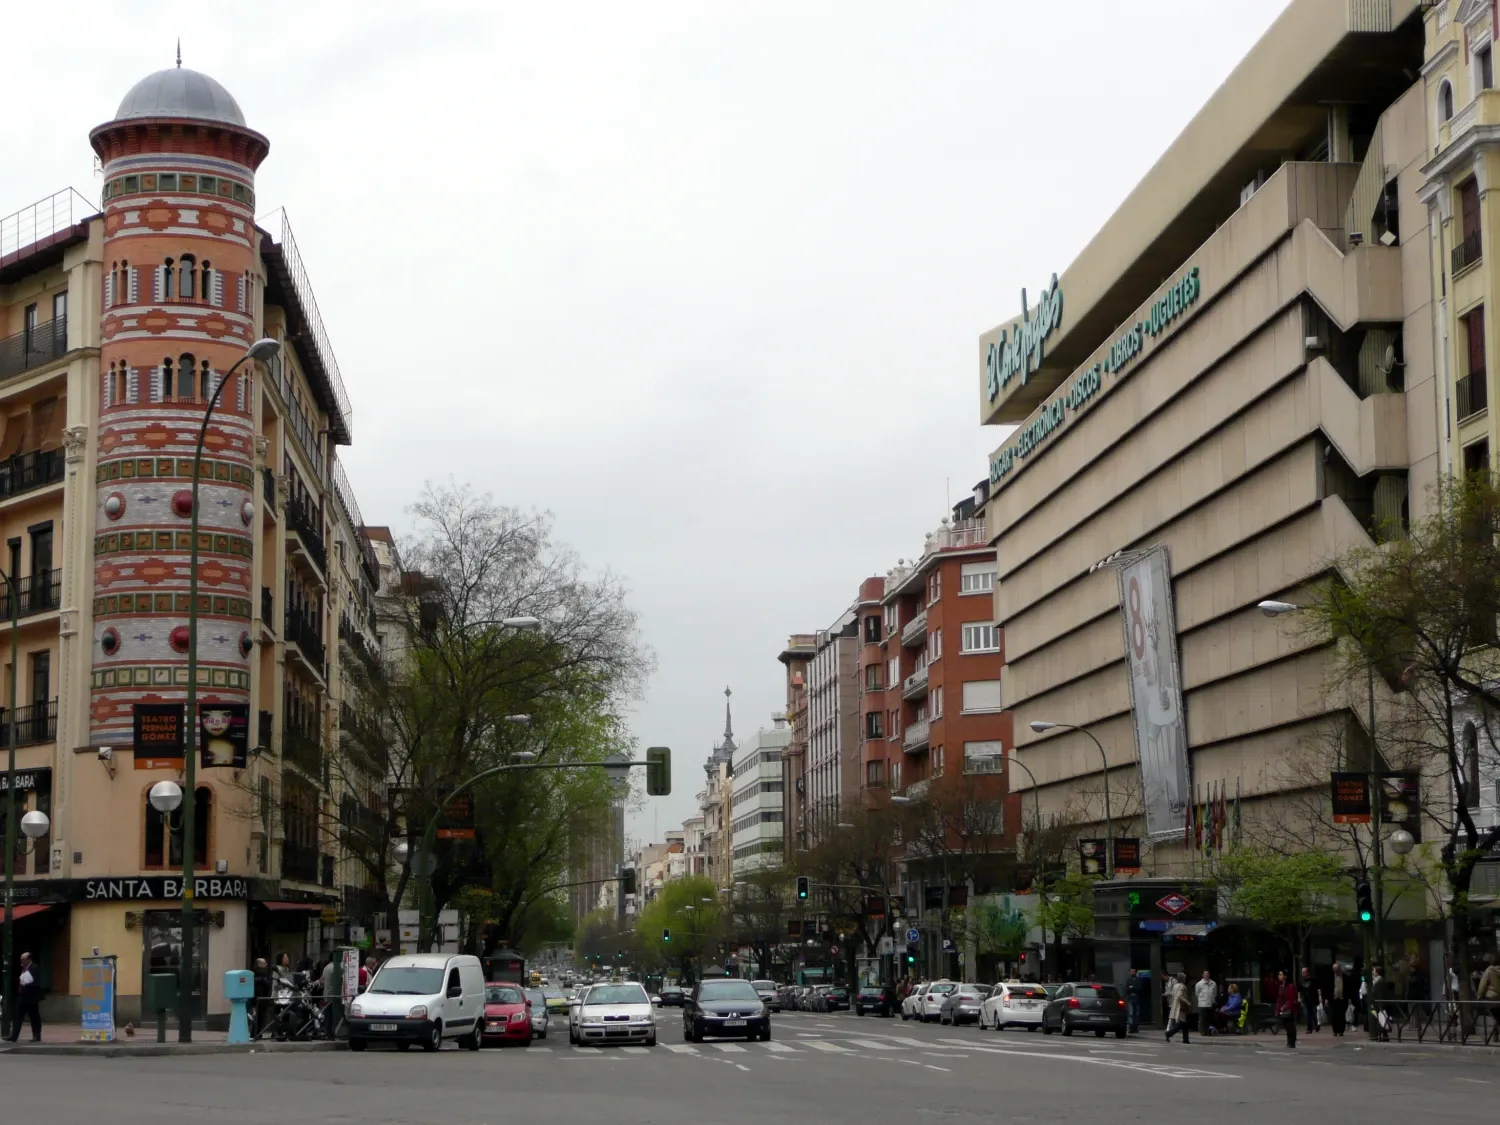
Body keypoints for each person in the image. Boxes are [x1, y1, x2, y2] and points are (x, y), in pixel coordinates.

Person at [6, 951, 42, 1042]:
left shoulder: (34, 967)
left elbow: (37, 982)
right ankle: (14, 1036)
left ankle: (36, 1036)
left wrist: (27, 983)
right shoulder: (23, 968)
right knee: (17, 1016)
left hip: (31, 997)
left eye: (23, 959)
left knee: (34, 1017)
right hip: (22, 996)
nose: (21, 961)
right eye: (21, 959)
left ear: (29, 959)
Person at [1273, 969, 1299, 1048]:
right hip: (1283, 1009)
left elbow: (1291, 999)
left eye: (1281, 975)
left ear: (1285, 976)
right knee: (1286, 1026)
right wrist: (1277, 1010)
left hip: (1290, 1009)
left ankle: (1291, 1042)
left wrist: (1284, 1007)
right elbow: (1279, 999)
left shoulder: (1290, 986)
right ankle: (1289, 1041)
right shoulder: (1281, 986)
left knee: (1290, 1026)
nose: (1279, 976)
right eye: (1279, 975)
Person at [1165, 973, 1193, 1043]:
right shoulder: (1183, 986)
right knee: (1182, 1023)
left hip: (1175, 1005)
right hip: (1181, 1006)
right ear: (1183, 979)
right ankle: (1169, 1033)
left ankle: (1185, 1039)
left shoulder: (1175, 986)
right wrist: (1187, 1002)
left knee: (1183, 1023)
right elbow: (1179, 995)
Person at [1194, 970, 1218, 1036]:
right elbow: (1197, 993)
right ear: (1202, 975)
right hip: (1202, 1004)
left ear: (1209, 975)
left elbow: (1215, 993)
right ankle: (1202, 1031)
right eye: (1205, 974)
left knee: (1209, 1019)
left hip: (1210, 1003)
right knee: (1202, 1019)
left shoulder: (1213, 983)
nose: (1206, 975)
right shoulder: (1199, 984)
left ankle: (1209, 1031)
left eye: (1207, 974)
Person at [1298, 966, 1320, 1034]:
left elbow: (1318, 988)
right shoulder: (1301, 981)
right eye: (1302, 972)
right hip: (1305, 1000)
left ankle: (1316, 1025)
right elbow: (1299, 990)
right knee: (1307, 1014)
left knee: (1314, 1014)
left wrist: (1320, 996)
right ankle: (1309, 1028)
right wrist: (1299, 998)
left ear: (1308, 973)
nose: (1303, 973)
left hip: (1313, 999)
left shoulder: (1313, 980)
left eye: (1304, 972)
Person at [1328, 962, 1348, 1037]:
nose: (1336, 971)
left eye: (1337, 969)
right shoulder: (1330, 977)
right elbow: (1327, 989)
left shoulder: (1345, 977)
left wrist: (1349, 998)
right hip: (1334, 998)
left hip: (1343, 998)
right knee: (1334, 1015)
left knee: (1342, 1015)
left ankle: (1341, 1031)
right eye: (1334, 970)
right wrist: (1326, 999)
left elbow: (1349, 988)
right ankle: (1335, 1031)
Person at [1126, 968, 1145, 1034]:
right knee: (1131, 1014)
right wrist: (1133, 987)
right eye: (1131, 971)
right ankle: (1130, 1028)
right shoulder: (1128, 980)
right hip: (1130, 998)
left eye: (1133, 971)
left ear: (1136, 972)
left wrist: (1132, 987)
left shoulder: (1139, 980)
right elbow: (1127, 989)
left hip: (1137, 998)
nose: (1132, 972)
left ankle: (1135, 1027)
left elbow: (1139, 988)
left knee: (1136, 1014)